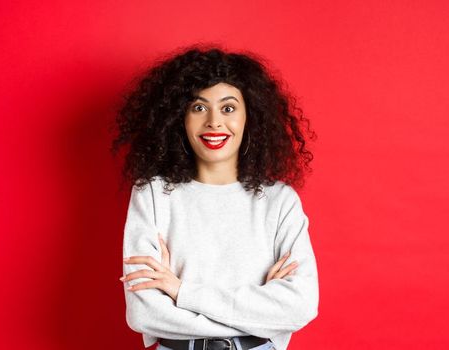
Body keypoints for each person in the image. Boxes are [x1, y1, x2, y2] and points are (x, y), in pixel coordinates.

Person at [110, 44, 319, 350]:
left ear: (251, 117)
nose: (214, 122)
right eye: (198, 107)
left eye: (228, 107)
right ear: (179, 117)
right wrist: (260, 311)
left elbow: (300, 307)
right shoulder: (153, 194)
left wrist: (182, 291)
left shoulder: (279, 202)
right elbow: (144, 314)